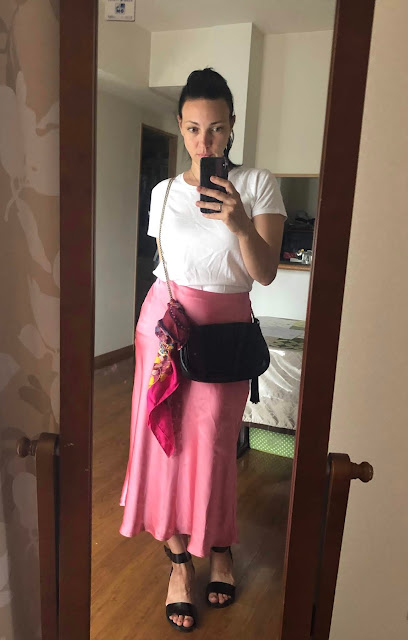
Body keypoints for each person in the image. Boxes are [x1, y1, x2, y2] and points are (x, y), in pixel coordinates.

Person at [120, 68, 287, 633]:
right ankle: (177, 564)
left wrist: (239, 223)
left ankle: (220, 547)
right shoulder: (164, 193)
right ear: (180, 126)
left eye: (215, 129)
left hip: (225, 334)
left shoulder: (258, 184)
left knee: (215, 446)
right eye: (193, 129)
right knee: (161, 441)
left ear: (232, 126)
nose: (204, 142)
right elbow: (166, 263)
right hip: (164, 328)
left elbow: (264, 273)